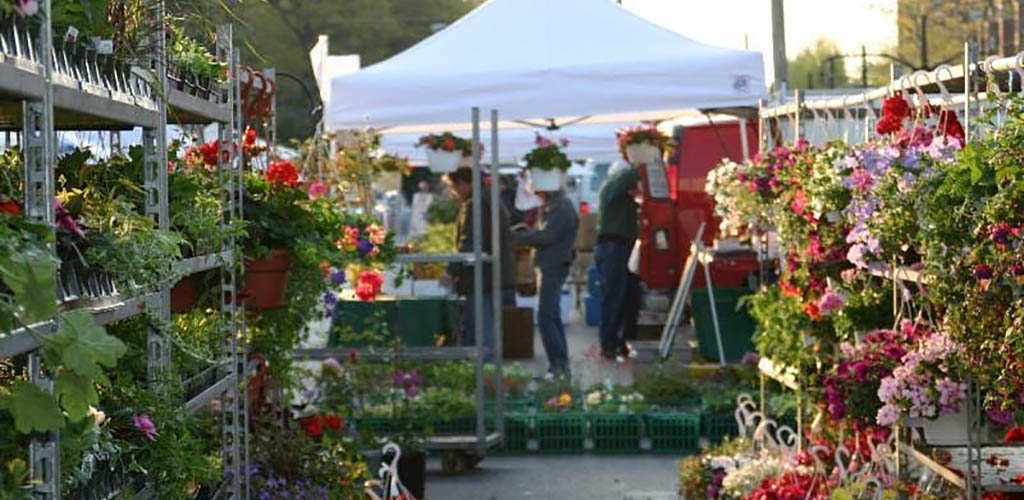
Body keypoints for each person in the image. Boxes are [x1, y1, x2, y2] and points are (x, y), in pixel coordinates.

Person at [442, 168, 515, 359]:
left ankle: (486, 371)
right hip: (490, 273)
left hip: (480, 275)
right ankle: (487, 369)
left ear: (466, 183)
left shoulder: (476, 204)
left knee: (481, 325)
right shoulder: (487, 199)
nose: (454, 191)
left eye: (454, 186)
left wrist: (451, 270)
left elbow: (470, 242)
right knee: (486, 322)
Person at [513, 186, 579, 379]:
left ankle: (558, 366)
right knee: (552, 316)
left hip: (553, 265)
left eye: (538, 191)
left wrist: (519, 237)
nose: (536, 195)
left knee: (546, 317)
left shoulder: (562, 208)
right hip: (551, 264)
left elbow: (547, 236)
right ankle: (560, 365)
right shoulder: (556, 206)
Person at [595, 159, 641, 361]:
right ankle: (609, 343)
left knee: (628, 297)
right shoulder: (612, 187)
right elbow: (628, 177)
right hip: (614, 247)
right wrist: (642, 161)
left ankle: (620, 341)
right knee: (614, 297)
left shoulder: (620, 196)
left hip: (622, 247)